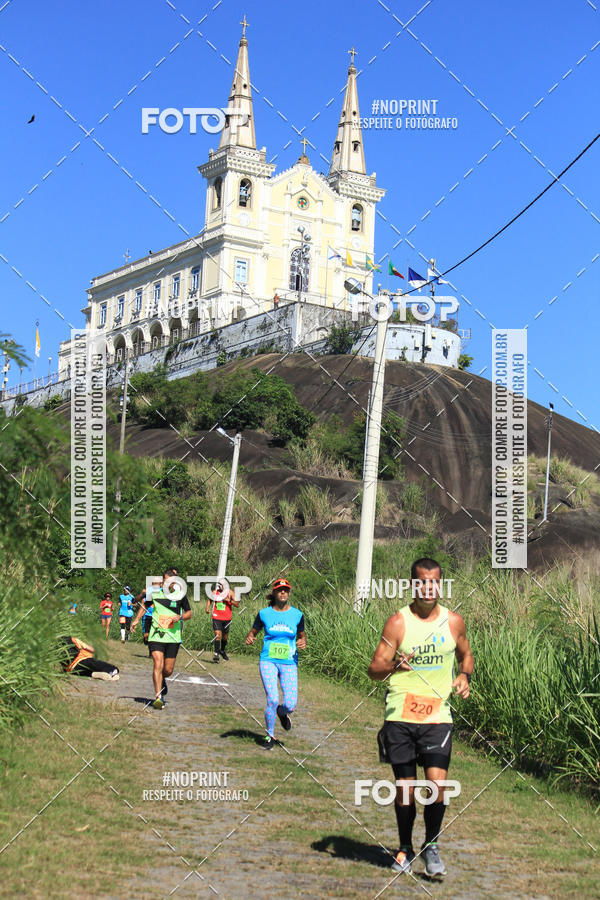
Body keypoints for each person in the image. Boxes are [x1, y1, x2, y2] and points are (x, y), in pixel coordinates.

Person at [367, 557, 473, 878]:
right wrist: (394, 667)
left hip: (438, 716)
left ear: (441, 584)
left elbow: (465, 654)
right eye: (422, 582)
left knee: (438, 786)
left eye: (434, 582)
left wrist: (465, 676)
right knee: (405, 789)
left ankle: (431, 846)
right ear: (412, 584)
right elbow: (374, 669)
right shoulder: (397, 623)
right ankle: (405, 847)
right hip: (400, 714)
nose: (428, 588)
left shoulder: (454, 622)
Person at [245, 578, 306, 750]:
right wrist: (250, 637)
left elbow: (302, 635)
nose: (283, 592)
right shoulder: (264, 613)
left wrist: (303, 642)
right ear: (274, 593)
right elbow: (253, 631)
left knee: (290, 705)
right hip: (268, 660)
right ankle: (270, 735)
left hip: (289, 662)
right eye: (280, 590)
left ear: (289, 592)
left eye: (286, 590)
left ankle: (282, 712)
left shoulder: (297, 615)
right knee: (272, 699)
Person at [132, 568, 191, 709]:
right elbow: (144, 606)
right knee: (158, 664)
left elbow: (189, 613)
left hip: (173, 637)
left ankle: (162, 679)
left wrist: (180, 617)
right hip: (156, 635)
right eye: (164, 579)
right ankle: (158, 697)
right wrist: (136, 620)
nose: (165, 582)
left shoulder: (180, 596)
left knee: (168, 670)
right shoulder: (155, 594)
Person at [206, 581, 239, 662]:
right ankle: (216, 654)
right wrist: (207, 608)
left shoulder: (230, 592)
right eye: (219, 584)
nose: (220, 586)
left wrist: (228, 600)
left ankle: (222, 651)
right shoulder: (215, 592)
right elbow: (210, 600)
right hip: (216, 617)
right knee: (218, 635)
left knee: (225, 637)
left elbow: (237, 604)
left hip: (227, 618)